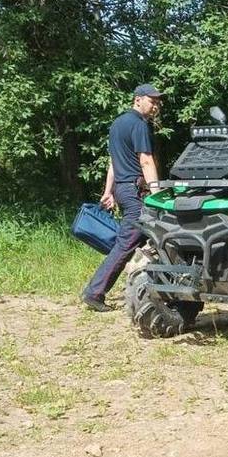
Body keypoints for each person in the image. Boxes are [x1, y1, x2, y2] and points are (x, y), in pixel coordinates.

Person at [80, 84, 163, 311]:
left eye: (158, 102)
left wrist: (108, 191)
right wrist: (157, 195)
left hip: (123, 189)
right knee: (128, 241)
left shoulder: (117, 124)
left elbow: (113, 162)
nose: (156, 106)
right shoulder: (139, 125)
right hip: (135, 191)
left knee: (144, 238)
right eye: (152, 101)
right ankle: (94, 292)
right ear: (138, 100)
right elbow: (145, 160)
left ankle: (154, 286)